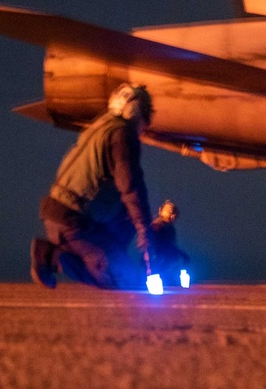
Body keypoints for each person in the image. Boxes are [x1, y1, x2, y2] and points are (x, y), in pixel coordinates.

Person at [30, 82, 154, 289]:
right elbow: (131, 186)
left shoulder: (101, 127)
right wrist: (144, 228)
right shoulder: (122, 135)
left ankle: (63, 252)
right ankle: (55, 257)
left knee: (124, 219)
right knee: (126, 281)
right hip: (73, 223)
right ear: (135, 110)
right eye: (146, 112)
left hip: (61, 216)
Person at [149, 199, 191, 286]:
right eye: (170, 213)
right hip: (157, 260)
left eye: (174, 214)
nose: (173, 216)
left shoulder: (168, 228)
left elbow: (170, 245)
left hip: (163, 261)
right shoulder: (157, 226)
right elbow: (154, 245)